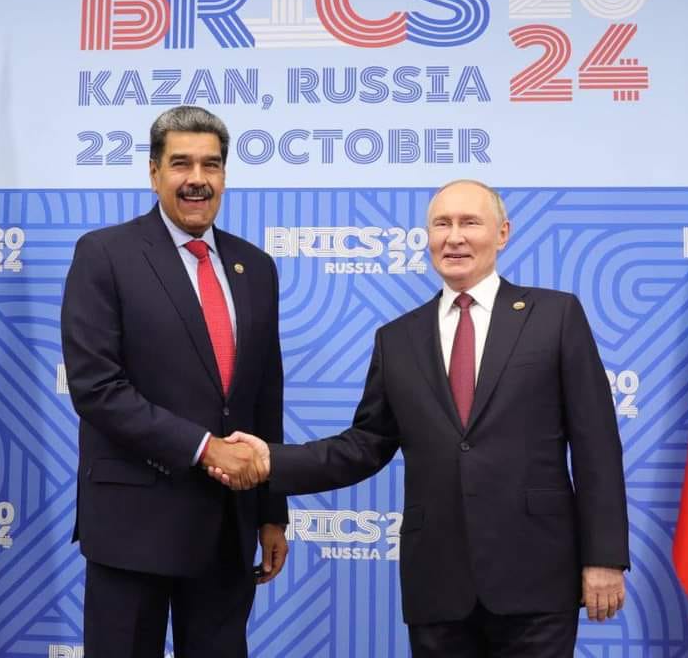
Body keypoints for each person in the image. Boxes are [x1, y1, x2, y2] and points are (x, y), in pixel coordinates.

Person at [212, 180, 630, 657]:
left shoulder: (555, 316)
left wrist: (604, 557)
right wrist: (273, 460)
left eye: (470, 223)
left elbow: (597, 445)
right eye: (441, 224)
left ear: (502, 233)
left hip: (537, 576)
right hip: (438, 583)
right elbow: (364, 445)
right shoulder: (397, 339)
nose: (454, 237)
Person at [60, 105, 288, 658]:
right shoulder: (105, 254)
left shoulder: (255, 267)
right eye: (181, 163)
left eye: (211, 165)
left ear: (224, 175)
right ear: (154, 172)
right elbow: (96, 387)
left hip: (227, 524)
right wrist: (204, 447)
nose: (197, 179)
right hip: (133, 522)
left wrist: (271, 511)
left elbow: (265, 394)